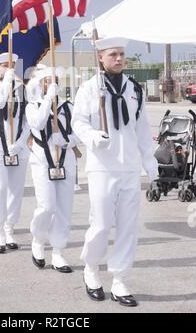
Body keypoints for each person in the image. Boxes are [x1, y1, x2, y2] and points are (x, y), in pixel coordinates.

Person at [72, 36, 158, 307]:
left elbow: (142, 130)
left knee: (127, 227)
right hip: (102, 166)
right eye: (113, 55)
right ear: (100, 57)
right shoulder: (89, 88)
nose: (119, 59)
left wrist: (151, 164)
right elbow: (77, 122)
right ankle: (91, 268)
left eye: (121, 54)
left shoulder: (135, 89)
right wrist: (92, 136)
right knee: (100, 223)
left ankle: (120, 279)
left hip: (130, 167)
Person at [26, 66, 79, 273]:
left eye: (54, 80)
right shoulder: (33, 106)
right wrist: (48, 99)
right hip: (42, 160)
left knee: (64, 209)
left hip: (65, 161)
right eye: (47, 81)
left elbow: (79, 132)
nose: (51, 84)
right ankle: (38, 240)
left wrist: (67, 140)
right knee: (47, 206)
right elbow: (38, 124)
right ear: (40, 85)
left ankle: (58, 252)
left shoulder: (68, 107)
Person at [0, 53, 30, 254]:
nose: (8, 69)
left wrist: (20, 142)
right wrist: (7, 83)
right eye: (4, 66)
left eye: (11, 65)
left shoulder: (22, 90)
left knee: (16, 189)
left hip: (17, 146)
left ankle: (10, 227)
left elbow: (27, 120)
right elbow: (0, 103)